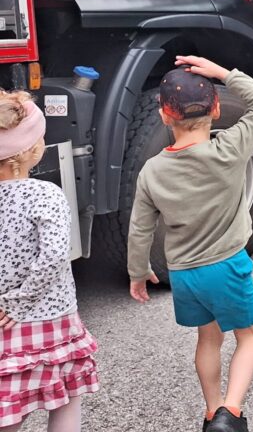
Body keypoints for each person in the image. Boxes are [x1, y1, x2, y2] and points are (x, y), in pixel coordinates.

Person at [127, 56, 253, 432]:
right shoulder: (229, 149)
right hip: (227, 266)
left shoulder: (152, 171)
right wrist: (223, 73)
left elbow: (140, 228)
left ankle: (211, 412)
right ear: (217, 109)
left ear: (164, 116)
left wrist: (138, 271)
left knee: (209, 339)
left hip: (184, 274)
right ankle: (231, 413)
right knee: (251, 336)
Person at [0, 92, 99, 432]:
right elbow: (55, 254)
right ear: (28, 150)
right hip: (51, 317)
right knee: (66, 397)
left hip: (4, 322)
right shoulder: (46, 194)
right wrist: (21, 300)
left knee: (9, 405)